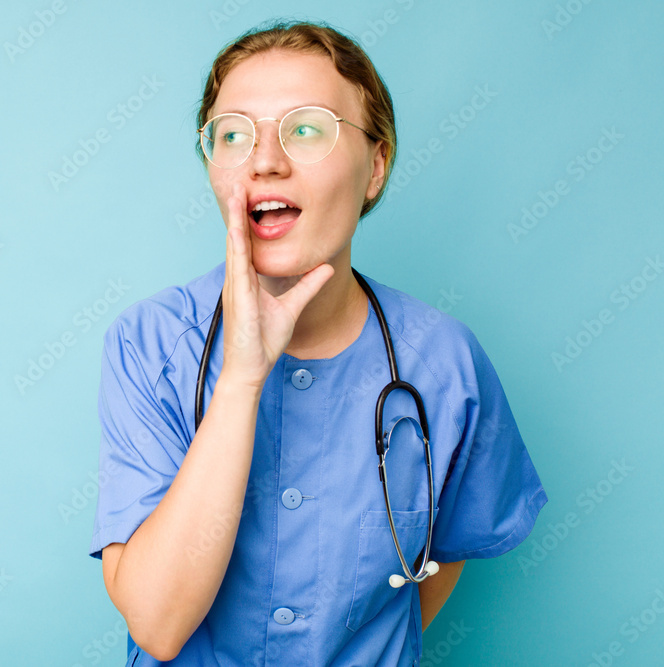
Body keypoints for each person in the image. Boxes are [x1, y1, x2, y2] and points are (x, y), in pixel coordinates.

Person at [88, 19, 547, 666]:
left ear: (375, 167)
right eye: (233, 134)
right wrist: (241, 379)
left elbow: (439, 561)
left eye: (306, 129)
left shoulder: (445, 362)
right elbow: (158, 624)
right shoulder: (151, 344)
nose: (265, 160)